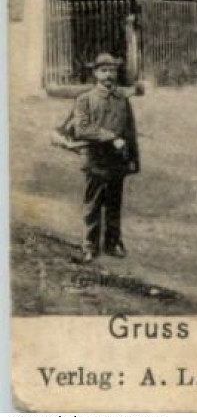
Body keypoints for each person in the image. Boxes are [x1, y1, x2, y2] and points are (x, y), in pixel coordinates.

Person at [58, 54, 142, 263]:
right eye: (104, 71)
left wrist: (133, 159)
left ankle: (112, 243)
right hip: (95, 158)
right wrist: (111, 137)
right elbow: (82, 128)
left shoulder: (122, 100)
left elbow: (130, 130)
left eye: (112, 71)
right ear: (95, 73)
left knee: (114, 203)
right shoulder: (84, 99)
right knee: (93, 204)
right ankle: (89, 246)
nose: (108, 75)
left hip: (117, 160)